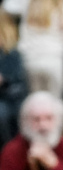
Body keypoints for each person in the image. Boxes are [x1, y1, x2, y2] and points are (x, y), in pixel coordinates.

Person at [0, 10, 28, 148]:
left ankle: (8, 152)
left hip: (8, 100)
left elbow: (19, 87)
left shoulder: (11, 54)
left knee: (3, 112)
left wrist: (4, 81)